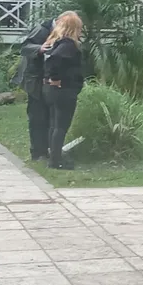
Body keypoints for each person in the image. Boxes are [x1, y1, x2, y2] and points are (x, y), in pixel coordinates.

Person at [40, 11, 89, 169]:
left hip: (52, 89)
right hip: (63, 90)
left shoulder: (56, 42)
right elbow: (55, 60)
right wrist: (55, 78)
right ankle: (56, 160)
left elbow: (50, 60)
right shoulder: (68, 44)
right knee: (61, 126)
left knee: (54, 124)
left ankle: (54, 157)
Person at [13, 16, 55, 161]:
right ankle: (37, 152)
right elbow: (25, 47)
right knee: (37, 117)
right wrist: (40, 49)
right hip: (35, 81)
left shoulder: (63, 33)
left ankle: (48, 149)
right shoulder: (41, 30)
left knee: (50, 117)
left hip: (50, 81)